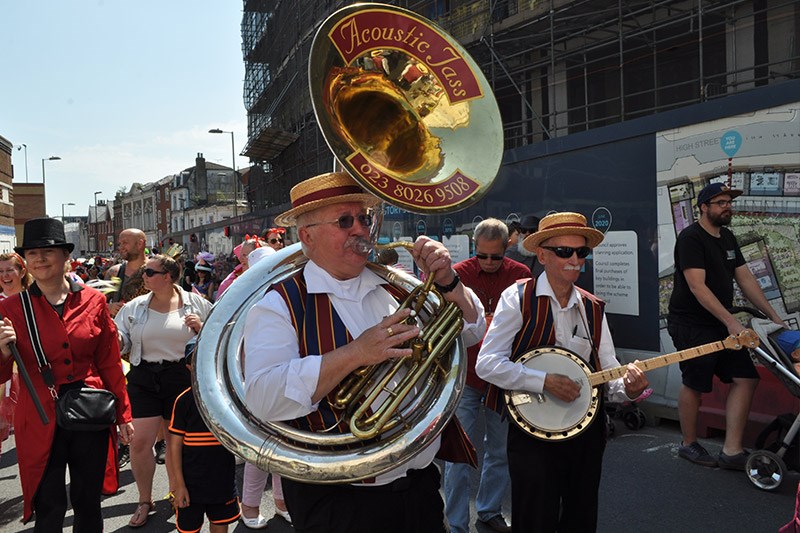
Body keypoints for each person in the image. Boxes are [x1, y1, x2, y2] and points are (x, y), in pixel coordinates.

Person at [243, 171, 486, 533]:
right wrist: (355, 353)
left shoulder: (395, 283)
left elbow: (469, 331)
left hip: (418, 488)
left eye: (364, 218)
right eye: (345, 221)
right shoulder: (278, 305)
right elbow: (263, 397)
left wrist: (449, 281)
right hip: (339, 501)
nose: (360, 230)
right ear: (306, 236)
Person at [476, 212, 648, 533]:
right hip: (532, 433)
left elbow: (609, 373)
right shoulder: (518, 298)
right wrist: (544, 381)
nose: (575, 260)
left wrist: (631, 389)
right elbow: (487, 364)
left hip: (585, 431)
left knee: (581, 516)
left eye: (581, 252)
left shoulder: (592, 307)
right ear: (542, 255)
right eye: (564, 252)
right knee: (534, 519)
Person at [0, 217, 134, 532]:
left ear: (66, 257)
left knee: (88, 501)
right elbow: (2, 373)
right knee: (49, 504)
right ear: (26, 262)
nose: (40, 258)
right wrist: (3, 352)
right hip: (39, 416)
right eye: (32, 253)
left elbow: (110, 362)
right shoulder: (11, 310)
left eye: (48, 251)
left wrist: (124, 414)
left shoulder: (94, 300)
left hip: (90, 409)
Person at [668, 182, 786, 469]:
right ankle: (688, 444)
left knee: (746, 378)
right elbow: (698, 287)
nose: (727, 206)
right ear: (703, 208)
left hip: (722, 323)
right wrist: (732, 322)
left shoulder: (728, 238)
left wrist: (773, 317)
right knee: (695, 384)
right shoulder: (691, 238)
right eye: (720, 202)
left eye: (728, 202)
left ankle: (731, 450)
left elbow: (746, 280)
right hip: (692, 324)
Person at [444, 218, 530, 533]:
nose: (489, 263)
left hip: (502, 377)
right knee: (459, 453)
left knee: (500, 450)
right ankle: (455, 524)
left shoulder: (521, 276)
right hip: (466, 375)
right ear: (474, 249)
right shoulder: (457, 275)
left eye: (496, 256)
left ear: (507, 248)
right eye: (483, 256)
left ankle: (489, 510)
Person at [115, 254, 212, 528]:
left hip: (180, 376)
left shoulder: (197, 303)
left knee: (174, 441)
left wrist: (201, 328)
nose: (143, 276)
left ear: (167, 277)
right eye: (145, 271)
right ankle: (145, 500)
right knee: (140, 441)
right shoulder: (135, 307)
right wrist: (116, 336)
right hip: (144, 375)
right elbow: (119, 338)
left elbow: (219, 335)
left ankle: (176, 492)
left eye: (150, 272)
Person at [167, 347, 240, 533]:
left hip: (222, 481)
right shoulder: (183, 401)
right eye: (197, 362)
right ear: (189, 366)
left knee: (221, 524)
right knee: (189, 528)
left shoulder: (227, 397)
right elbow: (174, 446)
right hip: (190, 485)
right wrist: (179, 485)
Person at [105, 228, 149, 318]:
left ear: (140, 244)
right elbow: (98, 301)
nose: (120, 247)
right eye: (119, 244)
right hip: (122, 329)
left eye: (125, 243)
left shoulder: (158, 270)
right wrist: (109, 307)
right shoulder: (115, 273)